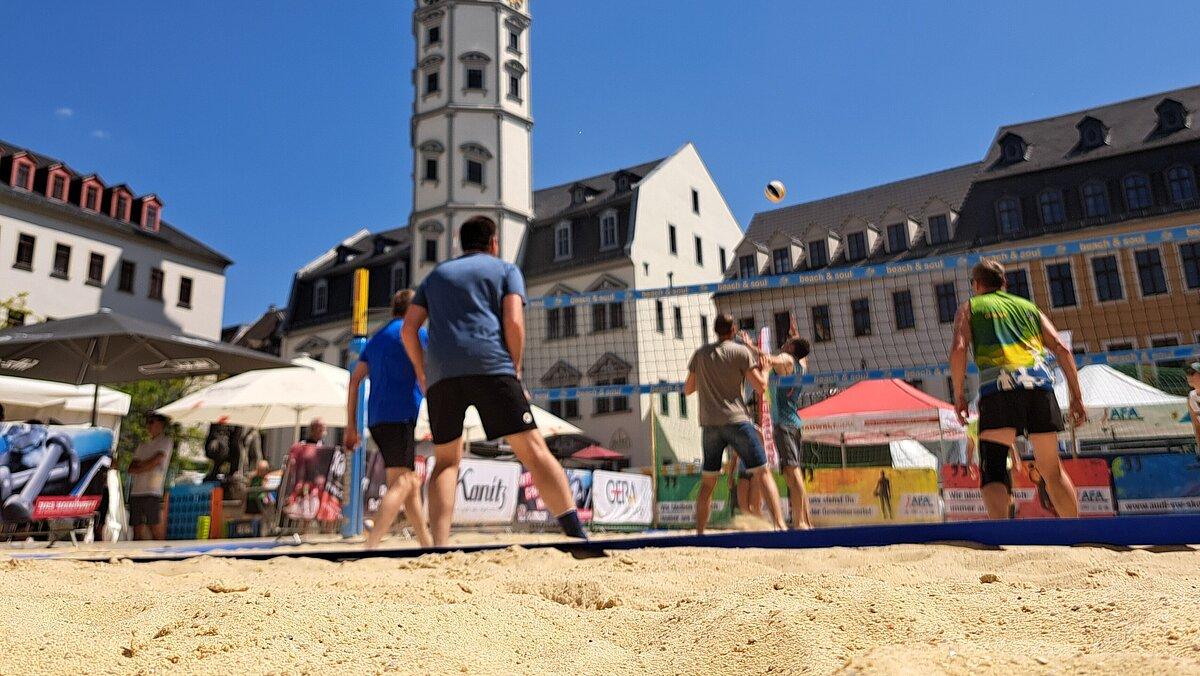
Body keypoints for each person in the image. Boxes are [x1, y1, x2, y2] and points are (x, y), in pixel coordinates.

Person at [402, 216, 584, 546]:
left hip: (443, 374)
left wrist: (421, 371)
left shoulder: (437, 275)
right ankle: (576, 535)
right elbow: (514, 321)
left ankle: (438, 547)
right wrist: (515, 367)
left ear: (461, 243)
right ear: (493, 243)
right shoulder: (505, 269)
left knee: (445, 461)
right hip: (492, 364)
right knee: (534, 452)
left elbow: (408, 329)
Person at [950, 259, 1087, 520]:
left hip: (1000, 389)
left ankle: (1002, 536)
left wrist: (959, 395)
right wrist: (1077, 398)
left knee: (993, 468)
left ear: (976, 285)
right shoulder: (1028, 307)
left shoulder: (970, 307)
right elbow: (1061, 348)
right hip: (1039, 387)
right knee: (1052, 471)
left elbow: (958, 349)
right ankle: (1076, 534)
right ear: (1005, 283)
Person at [346, 289, 434, 549]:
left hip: (377, 420)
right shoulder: (416, 333)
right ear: (414, 308)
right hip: (401, 415)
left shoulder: (377, 338)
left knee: (405, 484)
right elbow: (432, 370)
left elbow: (354, 381)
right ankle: (371, 545)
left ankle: (429, 546)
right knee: (407, 481)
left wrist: (351, 425)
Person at [684, 314, 786, 534]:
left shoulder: (700, 355)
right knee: (763, 472)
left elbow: (688, 389)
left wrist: (711, 381)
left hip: (710, 424)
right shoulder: (741, 352)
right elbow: (760, 387)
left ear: (715, 329)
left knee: (708, 483)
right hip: (736, 420)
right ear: (733, 330)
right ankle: (780, 525)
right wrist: (766, 370)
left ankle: (700, 533)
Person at [739, 325, 813, 529]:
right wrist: (795, 334)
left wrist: (749, 345)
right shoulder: (801, 364)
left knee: (793, 471)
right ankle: (804, 520)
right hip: (792, 422)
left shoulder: (787, 360)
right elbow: (801, 352)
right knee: (792, 474)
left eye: (789, 342)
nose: (785, 342)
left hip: (785, 424)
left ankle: (801, 522)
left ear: (791, 348)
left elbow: (772, 358)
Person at [127, 413, 173, 540]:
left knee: (154, 525)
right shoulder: (143, 445)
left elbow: (156, 460)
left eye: (151, 422)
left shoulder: (165, 441)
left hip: (152, 490)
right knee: (136, 526)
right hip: (137, 491)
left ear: (161, 424)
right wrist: (145, 465)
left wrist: (141, 466)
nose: (148, 425)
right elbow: (131, 468)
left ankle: (161, 552)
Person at [1187, 362, 1200, 451]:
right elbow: (1197, 426)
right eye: (1188, 373)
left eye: (1192, 373)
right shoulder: (1191, 397)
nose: (1189, 376)